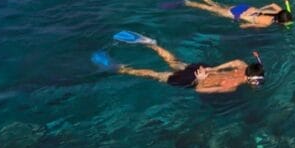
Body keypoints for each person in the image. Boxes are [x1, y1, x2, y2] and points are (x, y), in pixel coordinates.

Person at [92, 31, 265, 94]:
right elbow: (199, 90)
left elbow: (235, 61)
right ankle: (120, 68)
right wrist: (202, 78)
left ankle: (151, 44)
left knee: (174, 61)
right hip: (193, 79)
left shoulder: (243, 65)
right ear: (251, 79)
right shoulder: (231, 86)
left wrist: (213, 69)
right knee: (155, 74)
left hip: (200, 69)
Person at [182, 0, 293, 28]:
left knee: (217, 6)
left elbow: (273, 4)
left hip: (244, 7)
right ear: (279, 22)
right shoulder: (268, 23)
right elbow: (248, 25)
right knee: (211, 10)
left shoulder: (279, 10)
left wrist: (260, 9)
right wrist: (242, 26)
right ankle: (188, 2)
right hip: (238, 14)